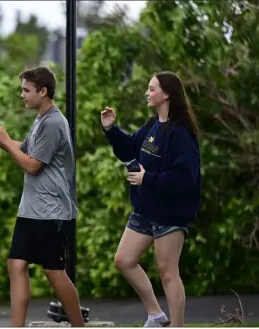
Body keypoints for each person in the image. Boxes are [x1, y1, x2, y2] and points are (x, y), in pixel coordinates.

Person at [0, 66, 85, 327]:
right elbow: (25, 149)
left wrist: (7, 141)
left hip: (51, 211)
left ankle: (79, 325)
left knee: (54, 273)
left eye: (26, 90)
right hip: (31, 210)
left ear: (43, 92)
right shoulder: (41, 120)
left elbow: (32, 164)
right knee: (16, 265)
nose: (22, 95)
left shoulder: (54, 122)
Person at [100, 71, 201, 327]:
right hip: (145, 209)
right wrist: (111, 129)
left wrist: (148, 179)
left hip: (170, 213)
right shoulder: (153, 124)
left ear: (166, 94)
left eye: (151, 88)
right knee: (124, 260)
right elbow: (129, 149)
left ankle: (177, 326)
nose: (147, 92)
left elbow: (185, 178)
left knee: (168, 273)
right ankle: (156, 315)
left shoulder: (180, 133)